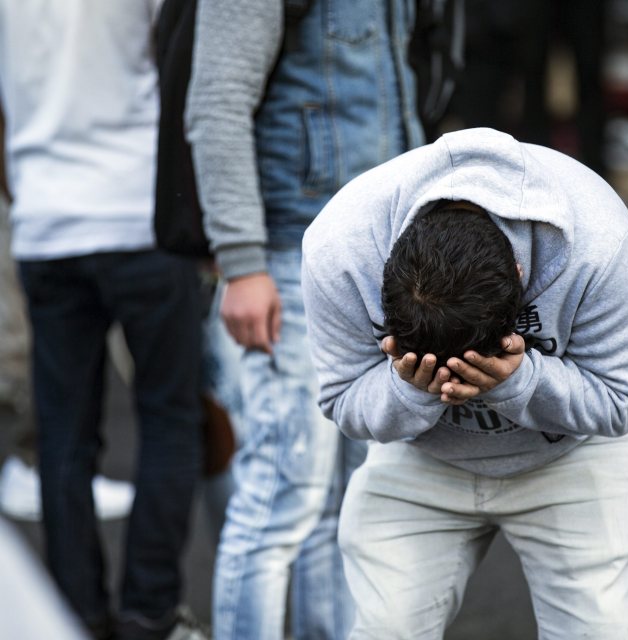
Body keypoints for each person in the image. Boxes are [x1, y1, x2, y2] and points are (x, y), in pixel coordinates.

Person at [302, 127, 628, 638]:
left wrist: (519, 380)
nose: (453, 379)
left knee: (605, 631)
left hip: (572, 456)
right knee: (386, 630)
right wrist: (408, 390)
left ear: (518, 273)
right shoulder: (340, 249)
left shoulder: (597, 240)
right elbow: (341, 398)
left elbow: (622, 399)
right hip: (420, 459)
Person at [185, 0, 423, 637]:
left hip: (378, 256)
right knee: (279, 497)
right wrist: (242, 265)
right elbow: (215, 103)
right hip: (292, 254)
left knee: (345, 504)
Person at [0, 1, 205, 638]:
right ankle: (151, 612)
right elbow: (182, 62)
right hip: (139, 209)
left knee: (64, 435)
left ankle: (75, 615)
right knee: (170, 417)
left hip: (44, 219)